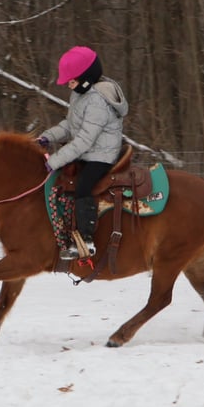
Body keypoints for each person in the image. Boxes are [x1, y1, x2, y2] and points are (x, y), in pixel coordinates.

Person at [38, 46, 129, 259]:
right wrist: (47, 136)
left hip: (102, 155)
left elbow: (84, 140)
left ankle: (86, 240)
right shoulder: (80, 95)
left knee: (83, 187)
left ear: (86, 78)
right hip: (88, 152)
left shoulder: (97, 100)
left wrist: (54, 161)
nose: (68, 85)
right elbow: (70, 125)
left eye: (71, 81)